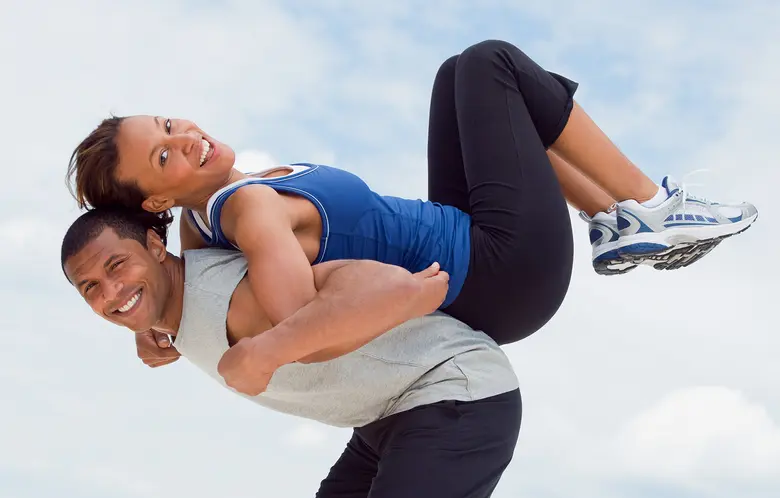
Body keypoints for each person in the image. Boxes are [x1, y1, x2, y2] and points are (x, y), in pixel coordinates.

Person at [66, 39, 758, 355]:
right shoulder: (248, 213)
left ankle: (613, 220)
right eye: (163, 154)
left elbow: (183, 281)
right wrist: (258, 356)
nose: (183, 136)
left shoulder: (202, 221)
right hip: (498, 272)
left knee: (457, 76)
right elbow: (296, 320)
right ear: (156, 198)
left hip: (471, 239)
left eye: (166, 123)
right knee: (492, 66)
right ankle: (651, 206)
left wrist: (159, 332)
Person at [61, 208, 522, 498]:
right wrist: (150, 322)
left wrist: (270, 349)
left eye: (117, 265)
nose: (110, 293)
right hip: (385, 419)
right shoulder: (180, 305)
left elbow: (363, 280)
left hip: (454, 388)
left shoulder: (227, 295)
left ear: (154, 246)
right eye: (91, 288)